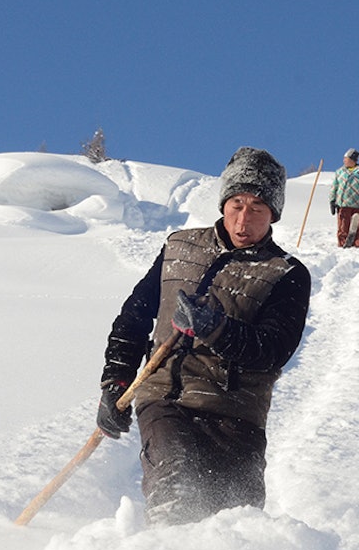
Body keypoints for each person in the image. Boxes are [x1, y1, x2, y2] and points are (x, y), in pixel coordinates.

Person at [94, 147, 312, 526]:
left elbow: (273, 350)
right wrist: (115, 383)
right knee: (176, 491)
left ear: (273, 213)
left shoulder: (286, 273)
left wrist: (216, 328)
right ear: (224, 203)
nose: (244, 219)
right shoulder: (179, 247)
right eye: (237, 204)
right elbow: (134, 317)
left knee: (236, 524)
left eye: (258, 208)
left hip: (238, 417)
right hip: (168, 400)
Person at [329, 148, 359, 247]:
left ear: (352, 160)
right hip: (343, 204)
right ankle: (343, 244)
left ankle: (357, 245)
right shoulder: (340, 172)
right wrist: (332, 201)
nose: (344, 160)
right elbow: (334, 187)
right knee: (343, 227)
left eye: (346, 158)